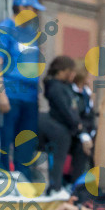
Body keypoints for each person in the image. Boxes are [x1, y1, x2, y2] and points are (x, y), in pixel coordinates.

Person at [0, 0, 46, 180]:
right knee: (4, 141)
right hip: (9, 93)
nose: (35, 13)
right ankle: (2, 180)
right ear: (21, 7)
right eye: (33, 8)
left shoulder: (32, 34)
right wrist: (1, 94)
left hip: (29, 97)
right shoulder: (4, 28)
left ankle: (23, 182)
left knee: (26, 143)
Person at [39, 55, 81, 192]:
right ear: (63, 71)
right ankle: (54, 188)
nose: (73, 75)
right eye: (71, 71)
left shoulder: (65, 87)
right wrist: (76, 124)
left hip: (65, 128)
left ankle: (58, 186)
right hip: (59, 129)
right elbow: (65, 110)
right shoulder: (56, 87)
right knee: (57, 161)